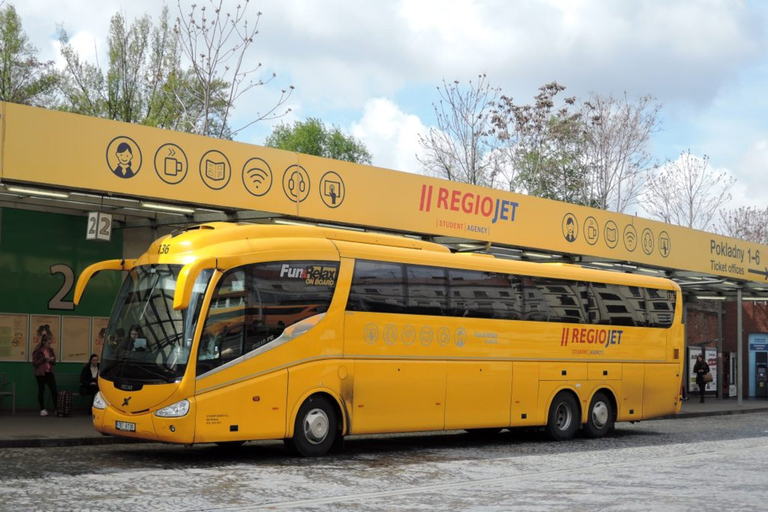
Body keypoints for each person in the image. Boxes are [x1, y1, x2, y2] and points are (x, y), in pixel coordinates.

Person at [31, 327, 58, 416]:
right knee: (41, 390)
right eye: (48, 343)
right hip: (40, 373)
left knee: (54, 390)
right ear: (43, 342)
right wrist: (43, 359)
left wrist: (51, 360)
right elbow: (34, 363)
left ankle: (56, 409)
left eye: (50, 343)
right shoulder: (37, 351)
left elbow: (54, 362)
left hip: (49, 372)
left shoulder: (50, 350)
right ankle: (42, 409)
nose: (49, 344)